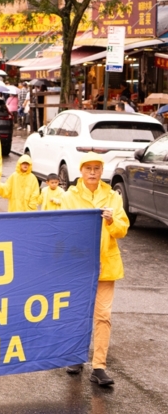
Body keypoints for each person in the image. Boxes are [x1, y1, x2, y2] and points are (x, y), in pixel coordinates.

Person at [60, 153, 129, 386]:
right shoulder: (69, 197)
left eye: (96, 168)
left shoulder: (112, 197)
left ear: (101, 171)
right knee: (78, 314)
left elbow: (122, 230)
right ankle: (75, 357)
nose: (92, 172)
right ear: (81, 171)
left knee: (103, 316)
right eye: (88, 168)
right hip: (78, 268)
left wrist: (111, 221)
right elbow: (62, 229)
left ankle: (99, 366)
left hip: (105, 267)